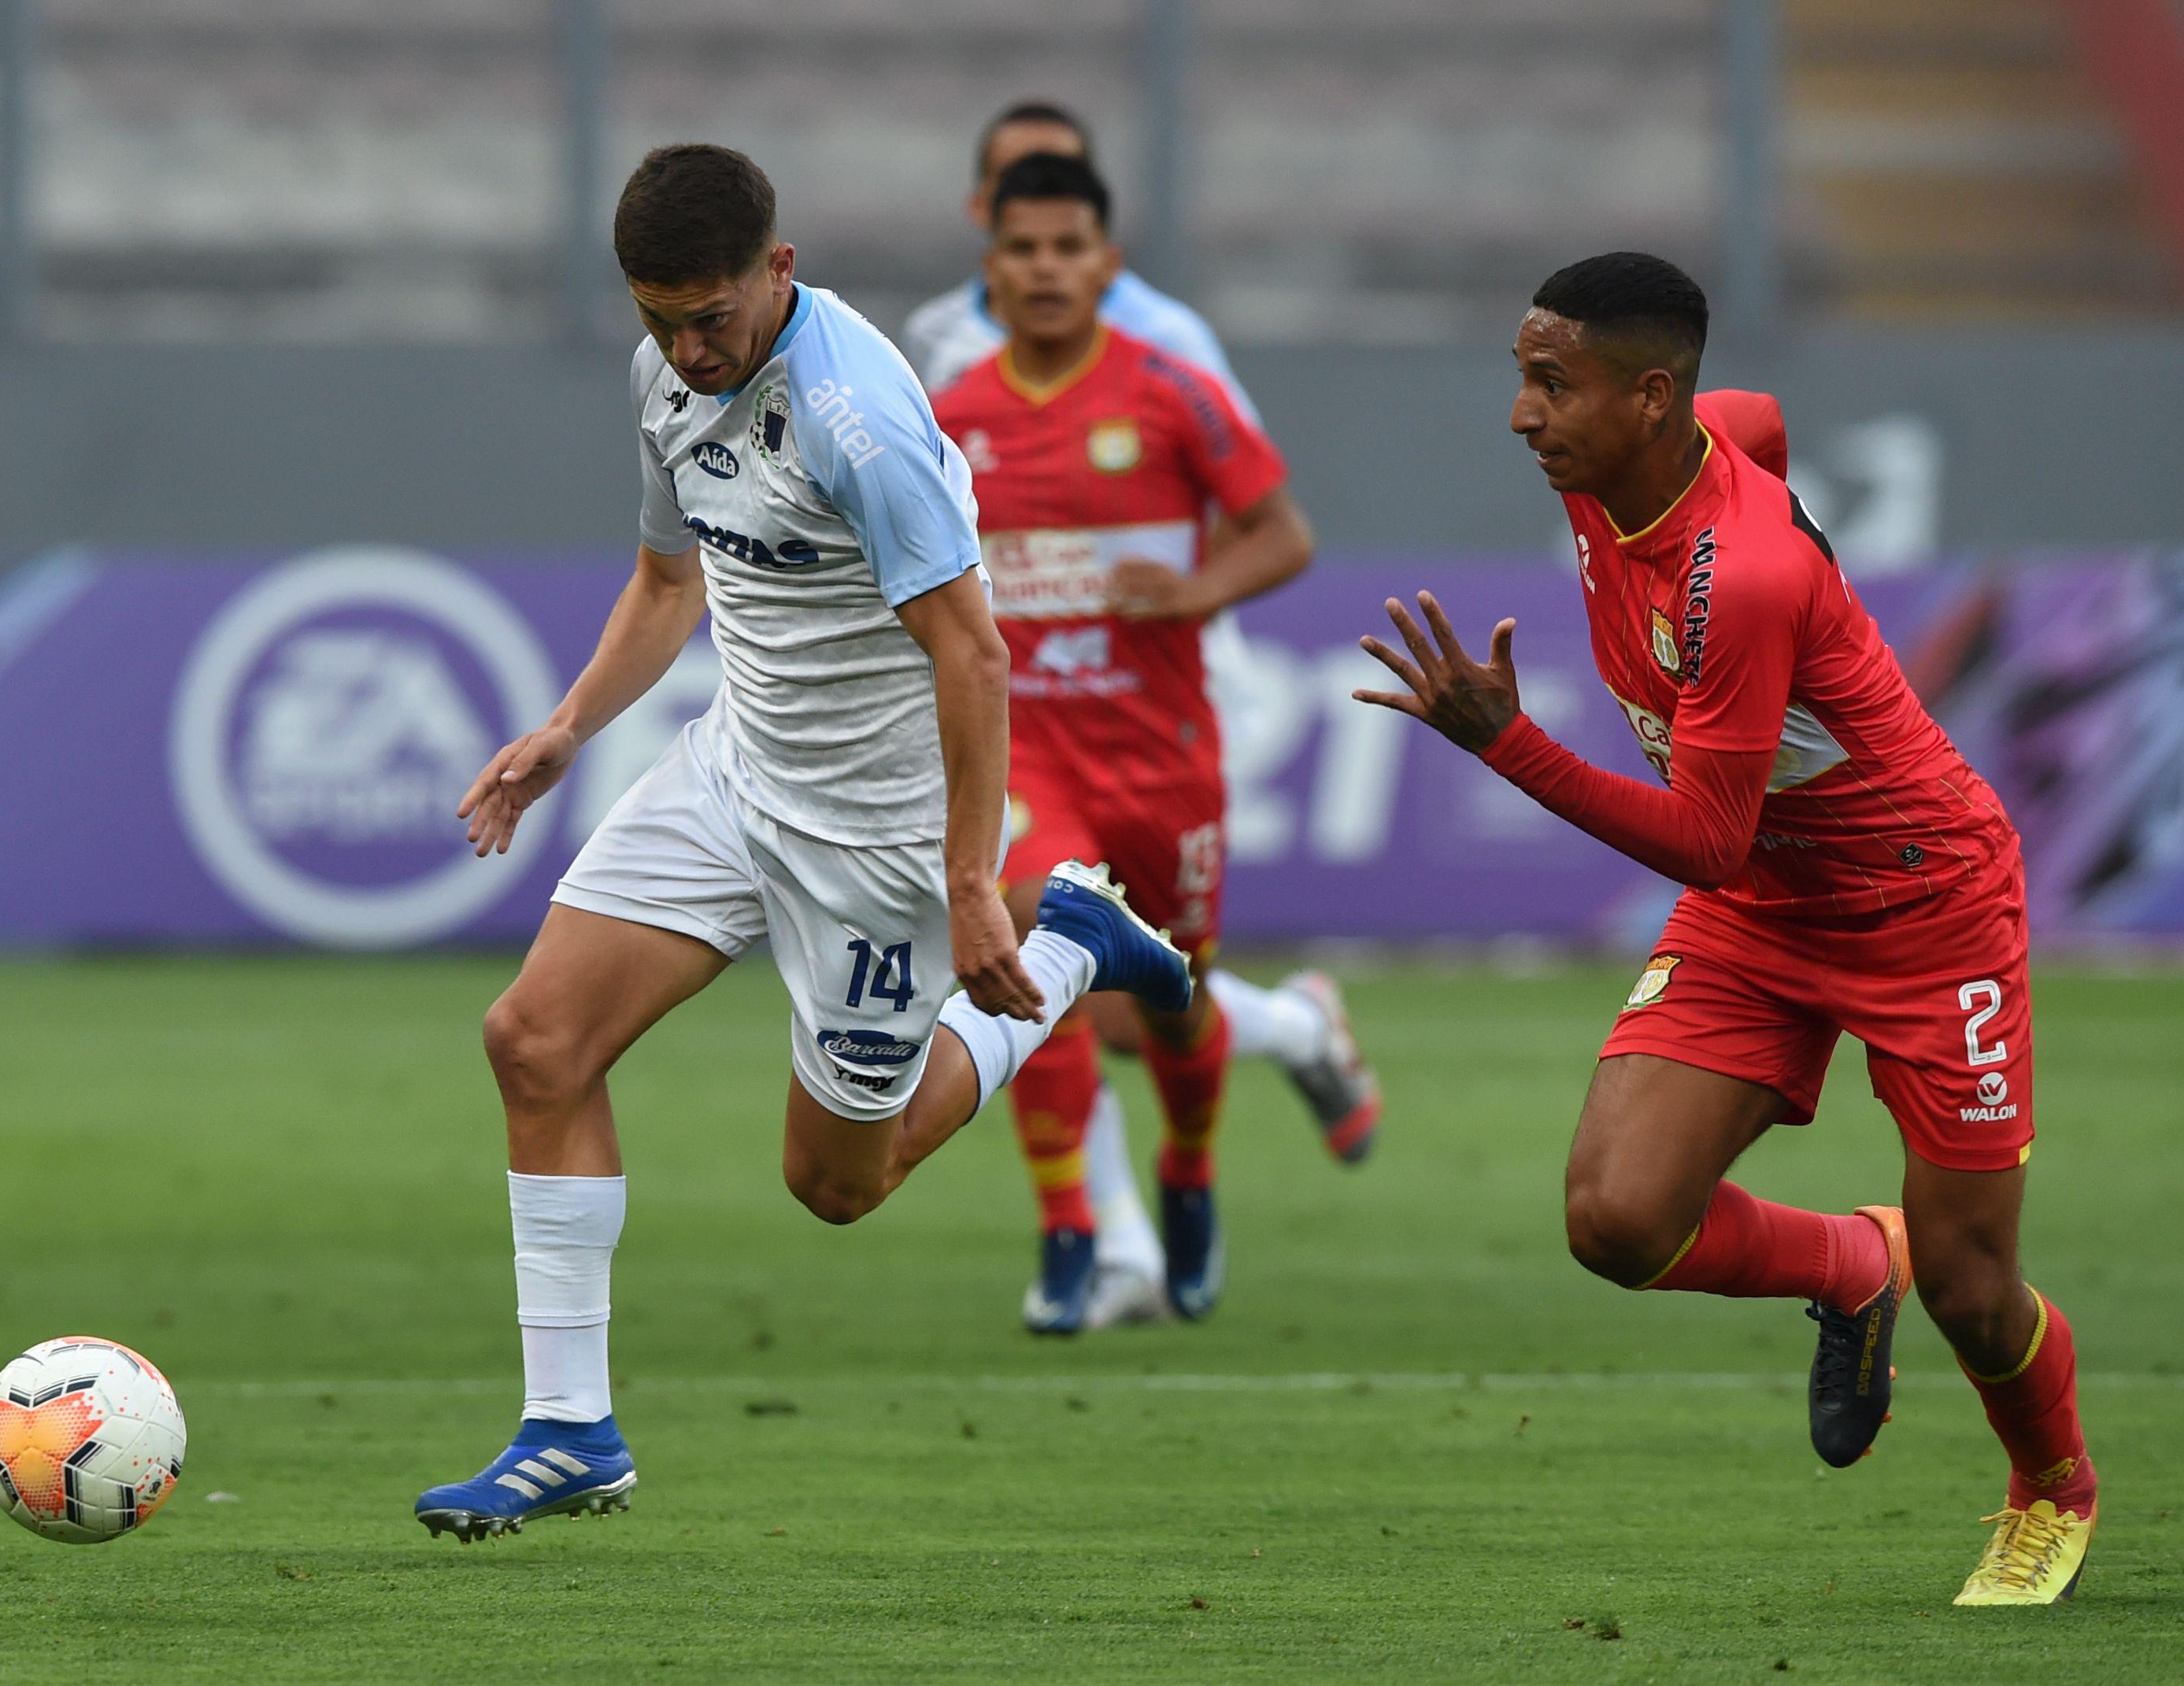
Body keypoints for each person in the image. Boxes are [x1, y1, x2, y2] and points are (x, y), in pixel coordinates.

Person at [413, 144, 1194, 1542]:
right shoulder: (669, 369)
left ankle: (1072, 940)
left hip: (875, 838)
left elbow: (971, 651)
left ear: (778, 270)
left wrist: (967, 884)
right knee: (533, 1040)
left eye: (710, 317)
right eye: (658, 318)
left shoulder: (856, 417)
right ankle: (569, 1429)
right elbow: (669, 577)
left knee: (840, 1183)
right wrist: (568, 728)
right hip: (730, 771)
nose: (686, 348)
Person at [1354, 251, 2093, 1606]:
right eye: (1521, 378)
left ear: (1646, 398)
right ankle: (1851, 1259)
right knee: (1616, 1218)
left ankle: (2049, 1490)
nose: (1521, 416)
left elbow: (1704, 837)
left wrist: (1504, 742)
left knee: (1977, 1290)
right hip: (1764, 912)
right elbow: (1750, 421)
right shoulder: (1637, 461)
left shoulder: (1732, 579)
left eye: (1548, 385)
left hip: (1923, 908)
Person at [909, 99, 1381, 1329]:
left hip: (1163, 756)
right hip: (1030, 754)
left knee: (1172, 1005)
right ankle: (1069, 1220)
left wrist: (1194, 589)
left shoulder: (1172, 387)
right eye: (1024, 250)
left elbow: (1284, 532)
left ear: (1107, 263)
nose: (1047, 270)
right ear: (989, 263)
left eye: (1069, 249)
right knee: (1024, 948)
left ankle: (1186, 1170)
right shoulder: (949, 416)